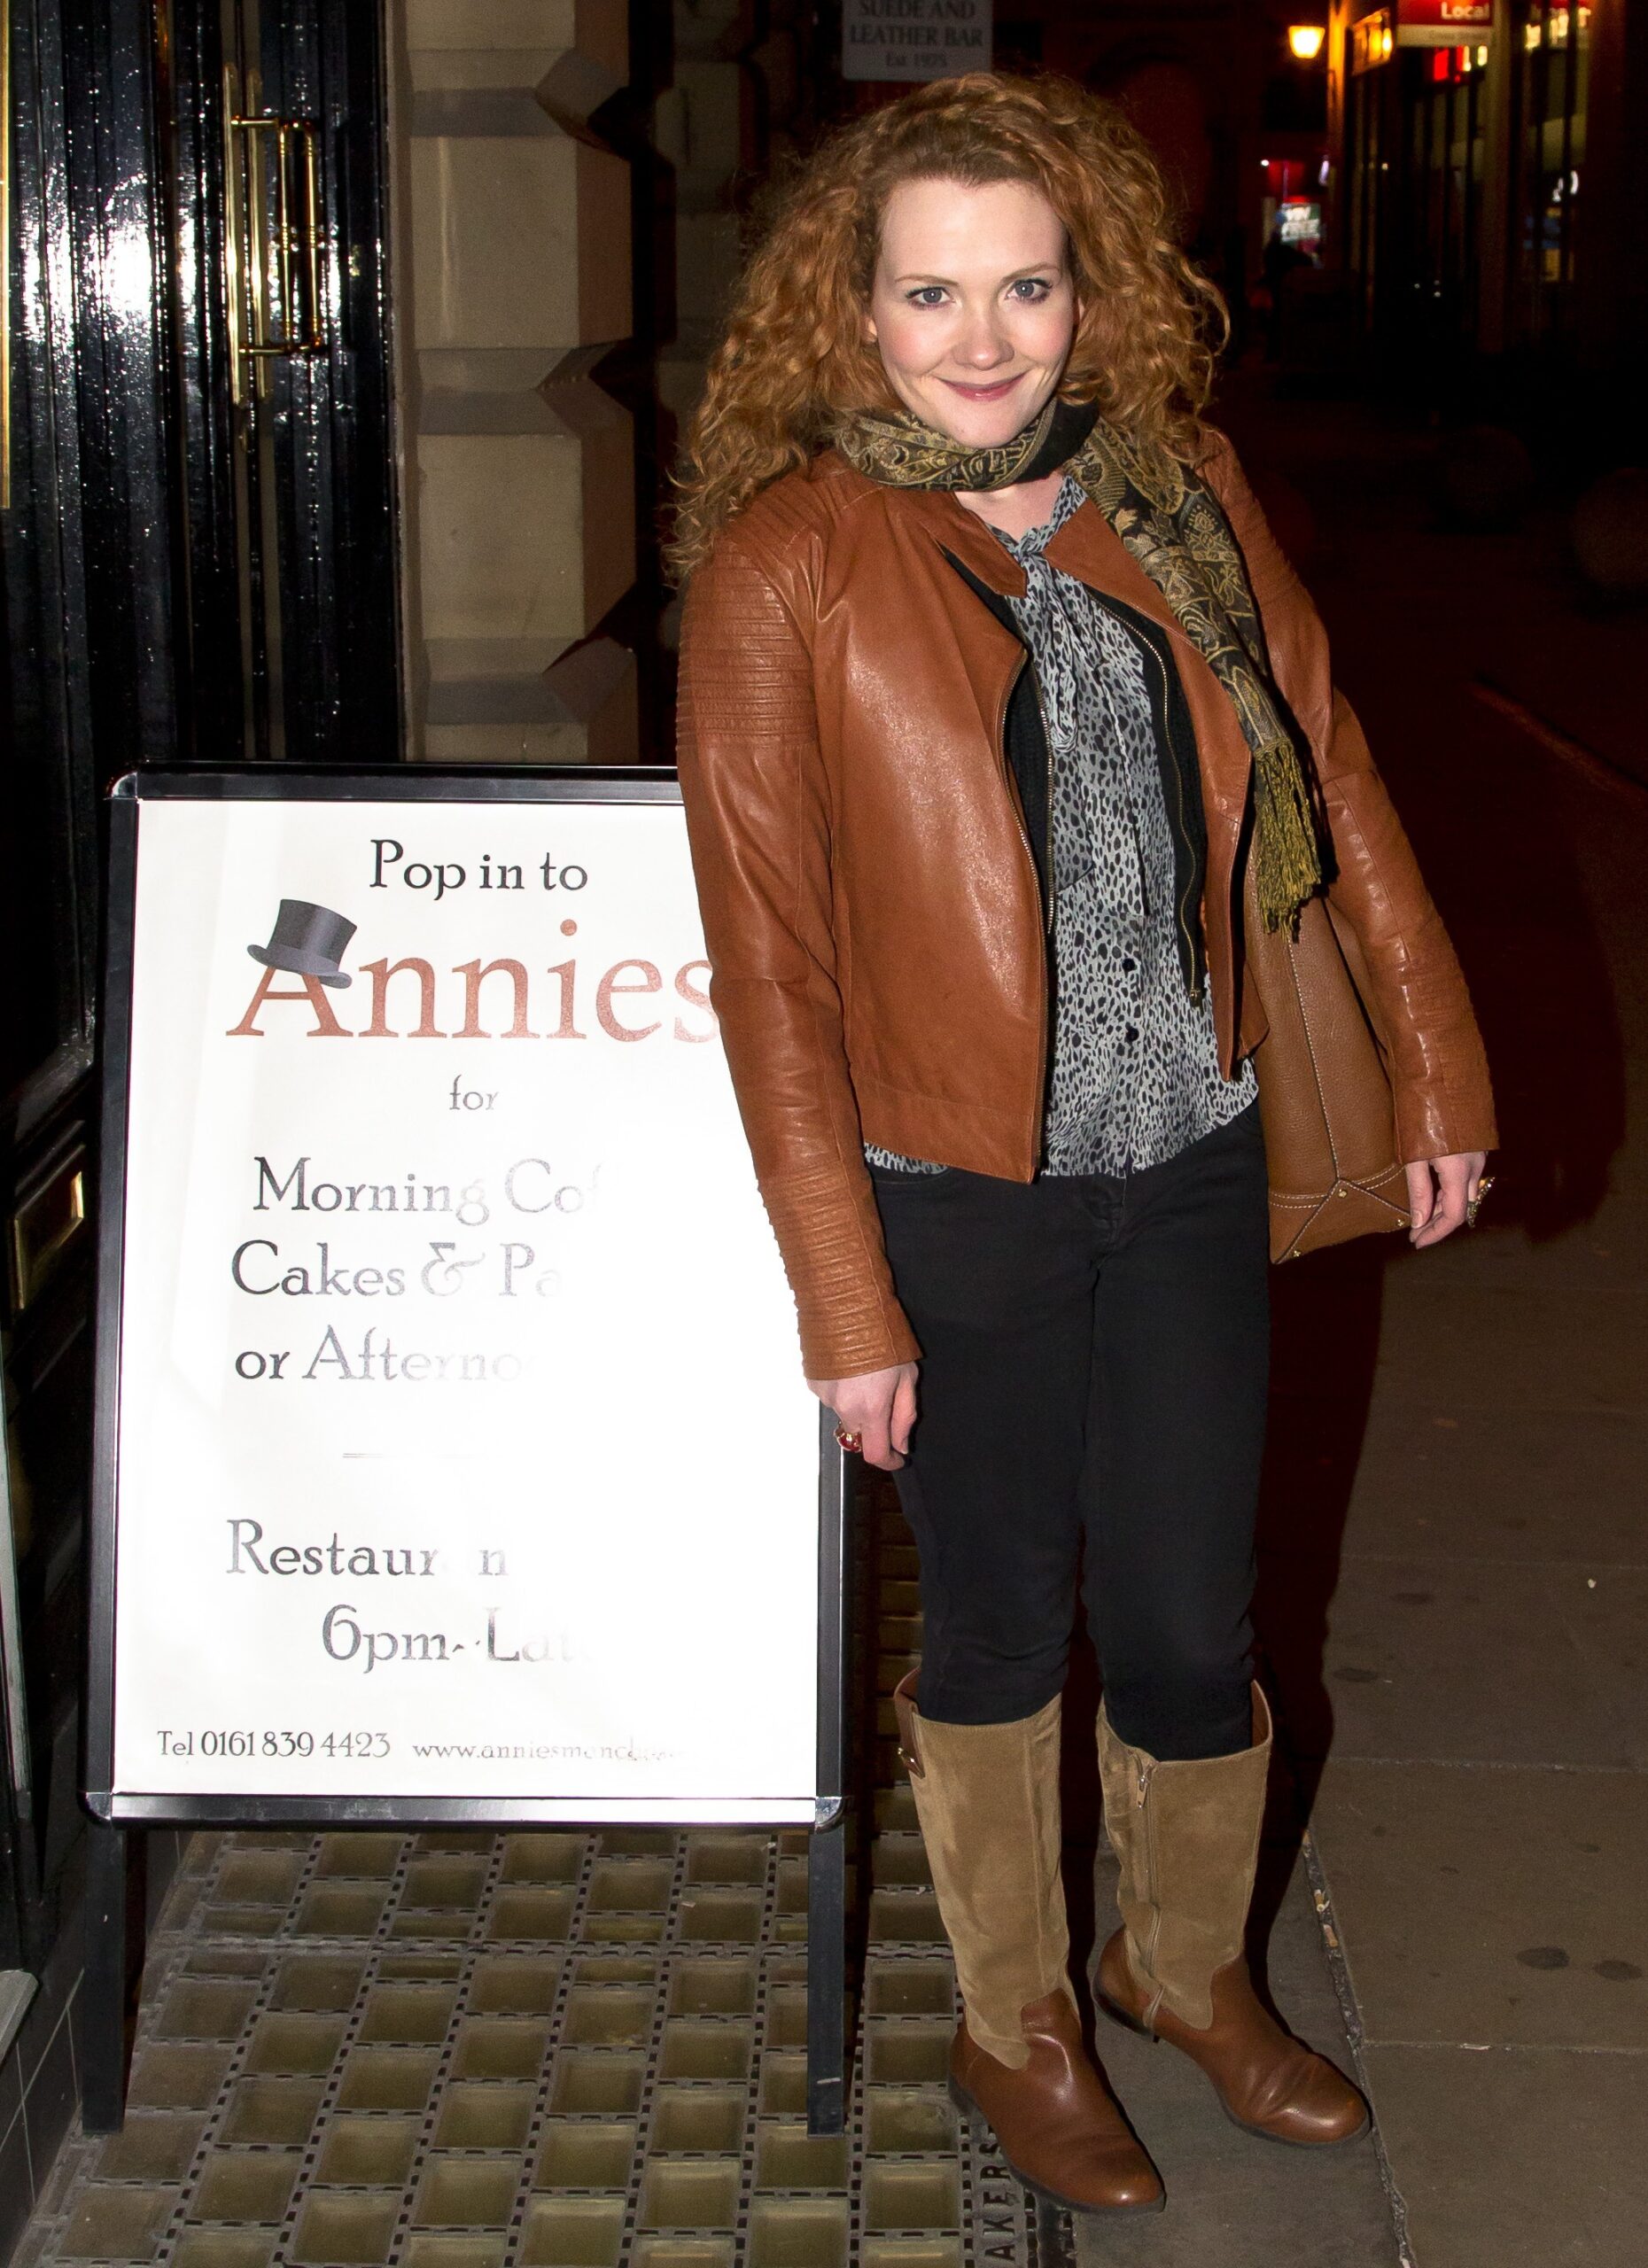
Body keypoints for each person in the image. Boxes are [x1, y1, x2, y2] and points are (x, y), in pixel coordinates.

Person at [672, 74, 1495, 2220]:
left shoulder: (1179, 490)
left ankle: (1182, 1965)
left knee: (1190, 1612)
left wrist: (1439, 1071)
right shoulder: (792, 562)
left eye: (1023, 284)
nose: (981, 334)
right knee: (1004, 1620)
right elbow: (766, 965)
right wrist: (844, 1296)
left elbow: (1340, 773)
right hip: (957, 1189)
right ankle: (1018, 2011)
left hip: (1193, 1148)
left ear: (1084, 292)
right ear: (849, 312)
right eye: (930, 288)